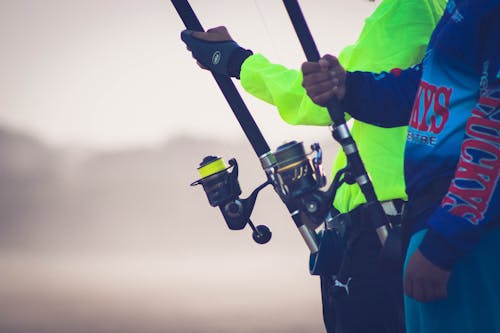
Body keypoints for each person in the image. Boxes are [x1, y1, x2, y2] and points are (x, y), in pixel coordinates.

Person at [181, 1, 446, 332]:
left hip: (384, 233)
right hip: (399, 229)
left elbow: (327, 98)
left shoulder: (408, 8)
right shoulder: (439, 14)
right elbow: (336, 85)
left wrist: (238, 62)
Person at [300, 0, 500, 332]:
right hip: (435, 227)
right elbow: (423, 89)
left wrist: (443, 244)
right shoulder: (461, 9)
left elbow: (492, 133)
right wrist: (348, 86)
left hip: (467, 242)